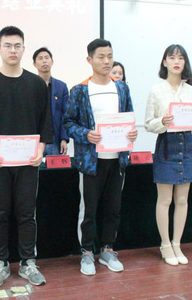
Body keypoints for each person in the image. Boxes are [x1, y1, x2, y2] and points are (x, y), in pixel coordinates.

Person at [0, 26, 52, 288]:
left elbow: (45, 122)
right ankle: (0, 263)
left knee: (27, 213)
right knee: (0, 213)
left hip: (28, 162)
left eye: (17, 46)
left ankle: (28, 262)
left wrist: (40, 151)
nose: (12, 50)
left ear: (24, 49)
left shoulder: (36, 84)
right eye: (7, 45)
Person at [63, 39, 138, 276]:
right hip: (91, 161)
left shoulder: (122, 88)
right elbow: (68, 123)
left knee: (113, 208)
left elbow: (129, 118)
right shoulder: (80, 90)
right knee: (88, 210)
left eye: (110, 56)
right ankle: (86, 252)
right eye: (101, 57)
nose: (107, 61)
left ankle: (107, 249)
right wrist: (86, 134)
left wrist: (132, 132)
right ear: (90, 60)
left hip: (118, 159)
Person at [144, 44, 192, 266]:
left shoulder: (191, 91)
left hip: (186, 144)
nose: (176, 61)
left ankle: (177, 243)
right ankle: (165, 244)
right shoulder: (156, 90)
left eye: (180, 58)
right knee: (165, 199)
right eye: (172, 57)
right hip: (167, 144)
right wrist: (162, 121)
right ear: (165, 62)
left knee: (182, 200)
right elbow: (148, 123)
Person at [32, 47, 70, 155]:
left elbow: (65, 114)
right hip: (35, 139)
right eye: (40, 58)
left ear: (52, 62)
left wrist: (64, 138)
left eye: (47, 58)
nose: (44, 61)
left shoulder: (61, 86)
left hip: (55, 139)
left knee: (54, 166)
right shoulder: (29, 85)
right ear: (34, 64)